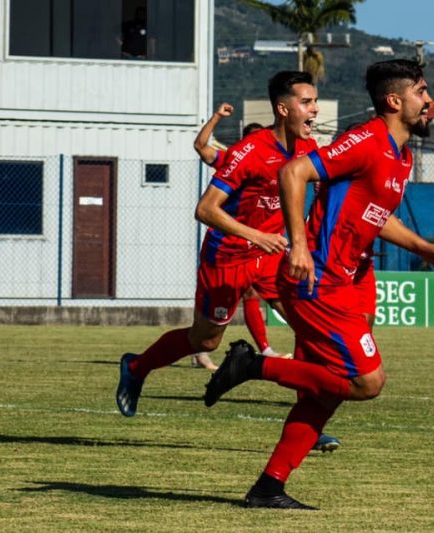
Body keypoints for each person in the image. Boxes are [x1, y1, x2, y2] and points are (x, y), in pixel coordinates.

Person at [203, 59, 434, 509]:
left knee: (328, 391)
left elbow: (377, 217)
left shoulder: (400, 156)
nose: (429, 100)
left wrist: (424, 248)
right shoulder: (367, 140)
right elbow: (293, 173)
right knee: (367, 382)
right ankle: (252, 366)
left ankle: (268, 487)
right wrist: (299, 246)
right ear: (394, 100)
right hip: (317, 281)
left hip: (344, 282)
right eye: (421, 92)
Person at [116, 71, 319, 419]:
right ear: (283, 109)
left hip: (271, 258)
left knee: (309, 327)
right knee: (205, 341)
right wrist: (257, 236)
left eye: (315, 101)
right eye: (306, 102)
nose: (314, 109)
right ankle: (136, 367)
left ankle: (307, 418)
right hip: (227, 258)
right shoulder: (249, 151)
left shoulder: (308, 150)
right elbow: (205, 209)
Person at [191, 110, 291, 364]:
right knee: (216, 323)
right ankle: (199, 347)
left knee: (275, 298)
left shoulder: (282, 162)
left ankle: (270, 350)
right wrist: (216, 116)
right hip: (233, 245)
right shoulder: (234, 160)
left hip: (263, 245)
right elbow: (201, 147)